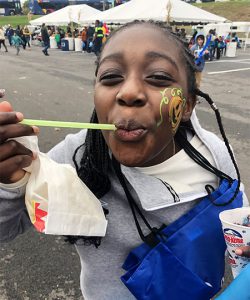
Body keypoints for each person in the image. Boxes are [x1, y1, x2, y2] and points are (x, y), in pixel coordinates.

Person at [0, 20, 249, 300]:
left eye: (157, 77)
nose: (128, 92)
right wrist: (10, 182)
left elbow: (240, 225)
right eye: (110, 77)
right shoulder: (75, 156)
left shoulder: (213, 156)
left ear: (188, 105)